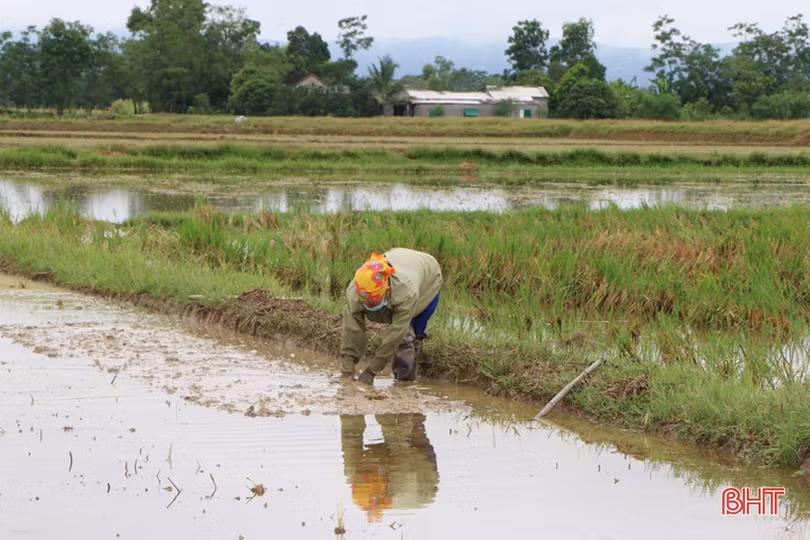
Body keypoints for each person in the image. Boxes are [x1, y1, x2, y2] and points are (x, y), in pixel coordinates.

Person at [339, 248, 442, 384]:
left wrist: (372, 371)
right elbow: (351, 330)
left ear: (386, 290)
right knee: (403, 333)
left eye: (373, 302)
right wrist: (347, 371)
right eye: (365, 302)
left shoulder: (406, 292)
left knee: (408, 335)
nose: (369, 306)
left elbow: (395, 334)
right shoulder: (355, 291)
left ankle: (405, 381)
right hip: (398, 257)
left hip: (429, 275)